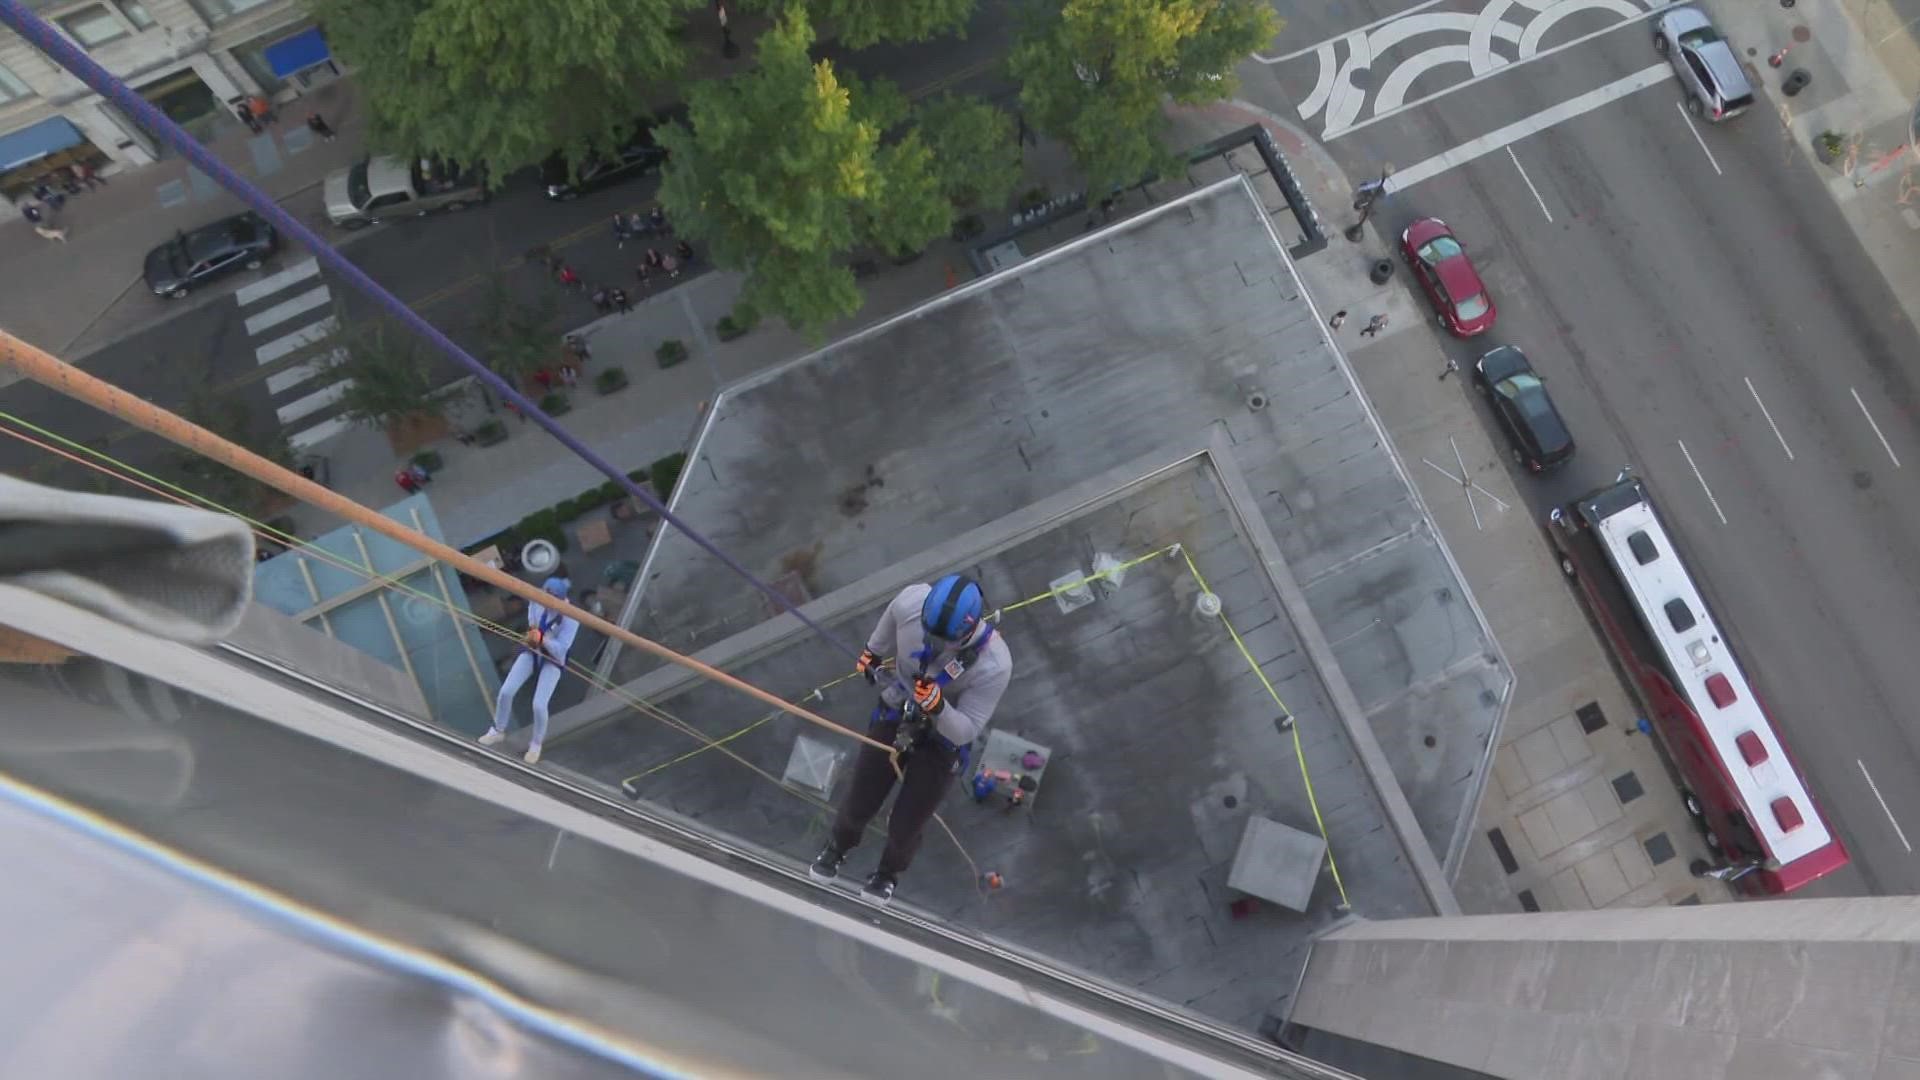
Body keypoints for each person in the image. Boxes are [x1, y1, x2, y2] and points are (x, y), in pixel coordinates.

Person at [810, 574, 1013, 905]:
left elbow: (966, 729)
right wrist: (874, 651)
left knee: (908, 821)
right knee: (861, 795)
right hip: (899, 708)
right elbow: (891, 617)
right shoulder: (911, 602)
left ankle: (888, 872)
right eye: (929, 632)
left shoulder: (994, 665)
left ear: (969, 629)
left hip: (943, 738)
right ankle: (838, 847)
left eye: (944, 640)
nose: (933, 644)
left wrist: (938, 707)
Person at [478, 574, 580, 764]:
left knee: (539, 705)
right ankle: (498, 730)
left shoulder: (571, 618)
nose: (546, 603)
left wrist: (544, 640)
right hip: (533, 650)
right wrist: (532, 636)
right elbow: (532, 620)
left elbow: (561, 650)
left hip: (553, 659)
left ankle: (536, 744)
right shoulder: (536, 601)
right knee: (506, 691)